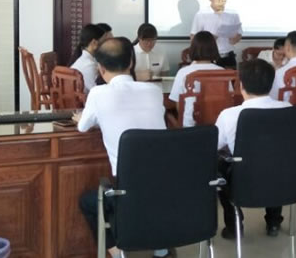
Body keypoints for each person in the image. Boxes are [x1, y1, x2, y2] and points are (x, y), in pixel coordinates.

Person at [74, 37, 170, 258]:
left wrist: (86, 117)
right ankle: (162, 250)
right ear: (131, 63)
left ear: (100, 68)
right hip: (165, 185)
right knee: (148, 195)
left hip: (128, 191)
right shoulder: (154, 91)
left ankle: (117, 253)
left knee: (88, 202)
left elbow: (82, 126)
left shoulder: (98, 93)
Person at [216, 59, 290, 239]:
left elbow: (213, 146)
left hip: (244, 182)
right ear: (271, 84)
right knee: (276, 159)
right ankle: (273, 221)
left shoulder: (229, 115)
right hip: (285, 180)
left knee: (218, 164)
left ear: (241, 85)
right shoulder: (288, 109)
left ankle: (234, 226)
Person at [169, 31, 224, 126]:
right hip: (217, 125)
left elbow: (178, 103)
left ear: (193, 49)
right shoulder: (223, 72)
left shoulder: (183, 72)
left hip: (190, 126)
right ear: (214, 49)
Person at [191, 0, 242, 68]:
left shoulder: (233, 14)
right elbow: (193, 38)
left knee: (231, 77)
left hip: (229, 57)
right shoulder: (201, 14)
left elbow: (239, 35)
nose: (220, 1)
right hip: (208, 59)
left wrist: (235, 38)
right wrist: (209, 40)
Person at [70, 23, 106, 93]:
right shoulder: (89, 65)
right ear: (94, 43)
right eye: (104, 41)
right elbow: (97, 91)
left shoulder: (86, 59)